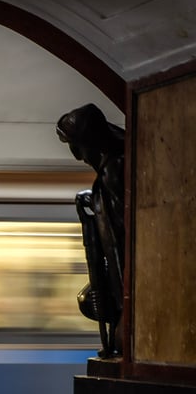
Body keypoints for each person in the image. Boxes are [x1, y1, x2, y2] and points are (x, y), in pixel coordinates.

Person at [56, 103, 125, 357]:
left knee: (95, 304)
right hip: (120, 278)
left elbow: (122, 230)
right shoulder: (110, 171)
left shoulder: (115, 170)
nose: (79, 157)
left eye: (77, 147)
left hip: (124, 279)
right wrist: (91, 201)